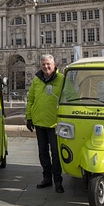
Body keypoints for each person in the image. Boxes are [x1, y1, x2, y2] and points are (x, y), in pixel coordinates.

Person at [26, 54, 65, 193]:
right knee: (43, 152)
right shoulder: (37, 80)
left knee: (55, 153)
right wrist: (29, 117)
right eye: (43, 65)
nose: (46, 67)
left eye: (48, 64)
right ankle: (46, 178)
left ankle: (58, 180)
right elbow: (30, 98)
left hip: (55, 124)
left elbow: (69, 97)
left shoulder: (62, 79)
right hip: (39, 122)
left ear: (54, 65)